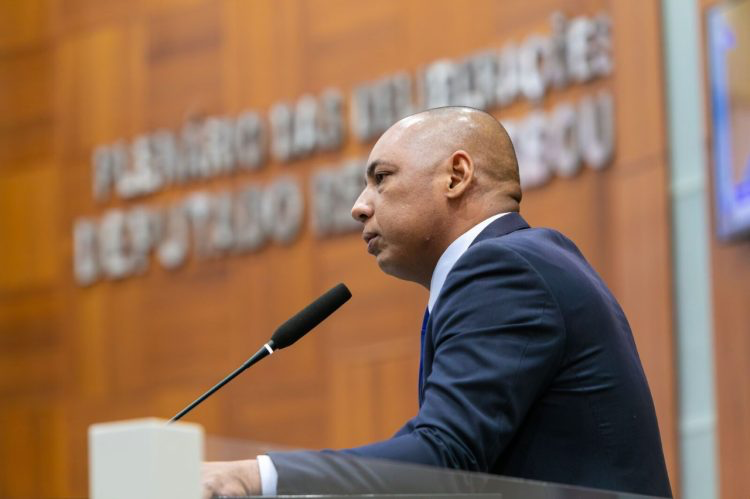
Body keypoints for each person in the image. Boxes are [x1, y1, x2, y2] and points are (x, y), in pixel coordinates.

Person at [201, 107, 673, 498]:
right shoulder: (521, 264)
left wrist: (254, 476)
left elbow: (444, 456)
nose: (359, 206)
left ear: (456, 176)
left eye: (381, 178)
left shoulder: (504, 270)